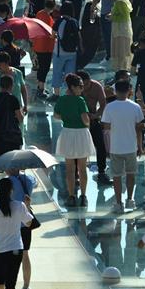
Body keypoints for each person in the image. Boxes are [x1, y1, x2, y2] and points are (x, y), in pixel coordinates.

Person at [102, 80, 144, 213]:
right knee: (131, 175)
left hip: (115, 147)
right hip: (131, 146)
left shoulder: (109, 107)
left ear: (115, 91)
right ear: (129, 91)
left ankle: (118, 202)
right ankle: (130, 200)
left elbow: (106, 129)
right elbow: (139, 129)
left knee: (117, 176)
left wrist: (107, 148)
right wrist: (140, 146)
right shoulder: (135, 107)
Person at [54, 73, 95, 206]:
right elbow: (85, 119)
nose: (82, 89)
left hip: (67, 133)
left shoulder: (62, 99)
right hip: (81, 134)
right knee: (82, 168)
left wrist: (67, 118)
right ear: (73, 87)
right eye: (80, 87)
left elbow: (56, 115)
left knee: (70, 169)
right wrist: (88, 123)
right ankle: (83, 196)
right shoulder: (80, 100)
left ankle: (71, 196)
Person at [0, 73, 25, 201]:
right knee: (13, 165)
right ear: (11, 85)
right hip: (12, 136)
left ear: (0, 85)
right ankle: (13, 192)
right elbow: (19, 118)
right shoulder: (13, 99)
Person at [76, 70, 109, 186]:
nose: (85, 87)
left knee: (100, 146)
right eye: (82, 85)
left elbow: (104, 104)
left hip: (94, 119)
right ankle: (76, 174)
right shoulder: (74, 89)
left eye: (87, 84)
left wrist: (96, 115)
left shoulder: (97, 87)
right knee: (78, 148)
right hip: (79, 121)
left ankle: (101, 171)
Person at [50, 2, 81, 98]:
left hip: (60, 52)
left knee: (57, 72)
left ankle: (56, 94)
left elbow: (53, 35)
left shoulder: (59, 21)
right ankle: (70, 94)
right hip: (72, 52)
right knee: (70, 75)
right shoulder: (75, 21)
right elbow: (79, 36)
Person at [31, 0, 56, 99]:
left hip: (38, 45)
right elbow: (50, 33)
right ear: (53, 7)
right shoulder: (48, 18)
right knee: (45, 68)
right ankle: (41, 88)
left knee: (41, 66)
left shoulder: (39, 13)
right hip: (46, 46)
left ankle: (40, 86)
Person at [106, 0, 134, 72]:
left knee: (121, 52)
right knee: (123, 52)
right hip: (121, 30)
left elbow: (124, 17)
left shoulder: (120, 2)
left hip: (121, 30)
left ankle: (122, 70)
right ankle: (122, 69)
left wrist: (111, 18)